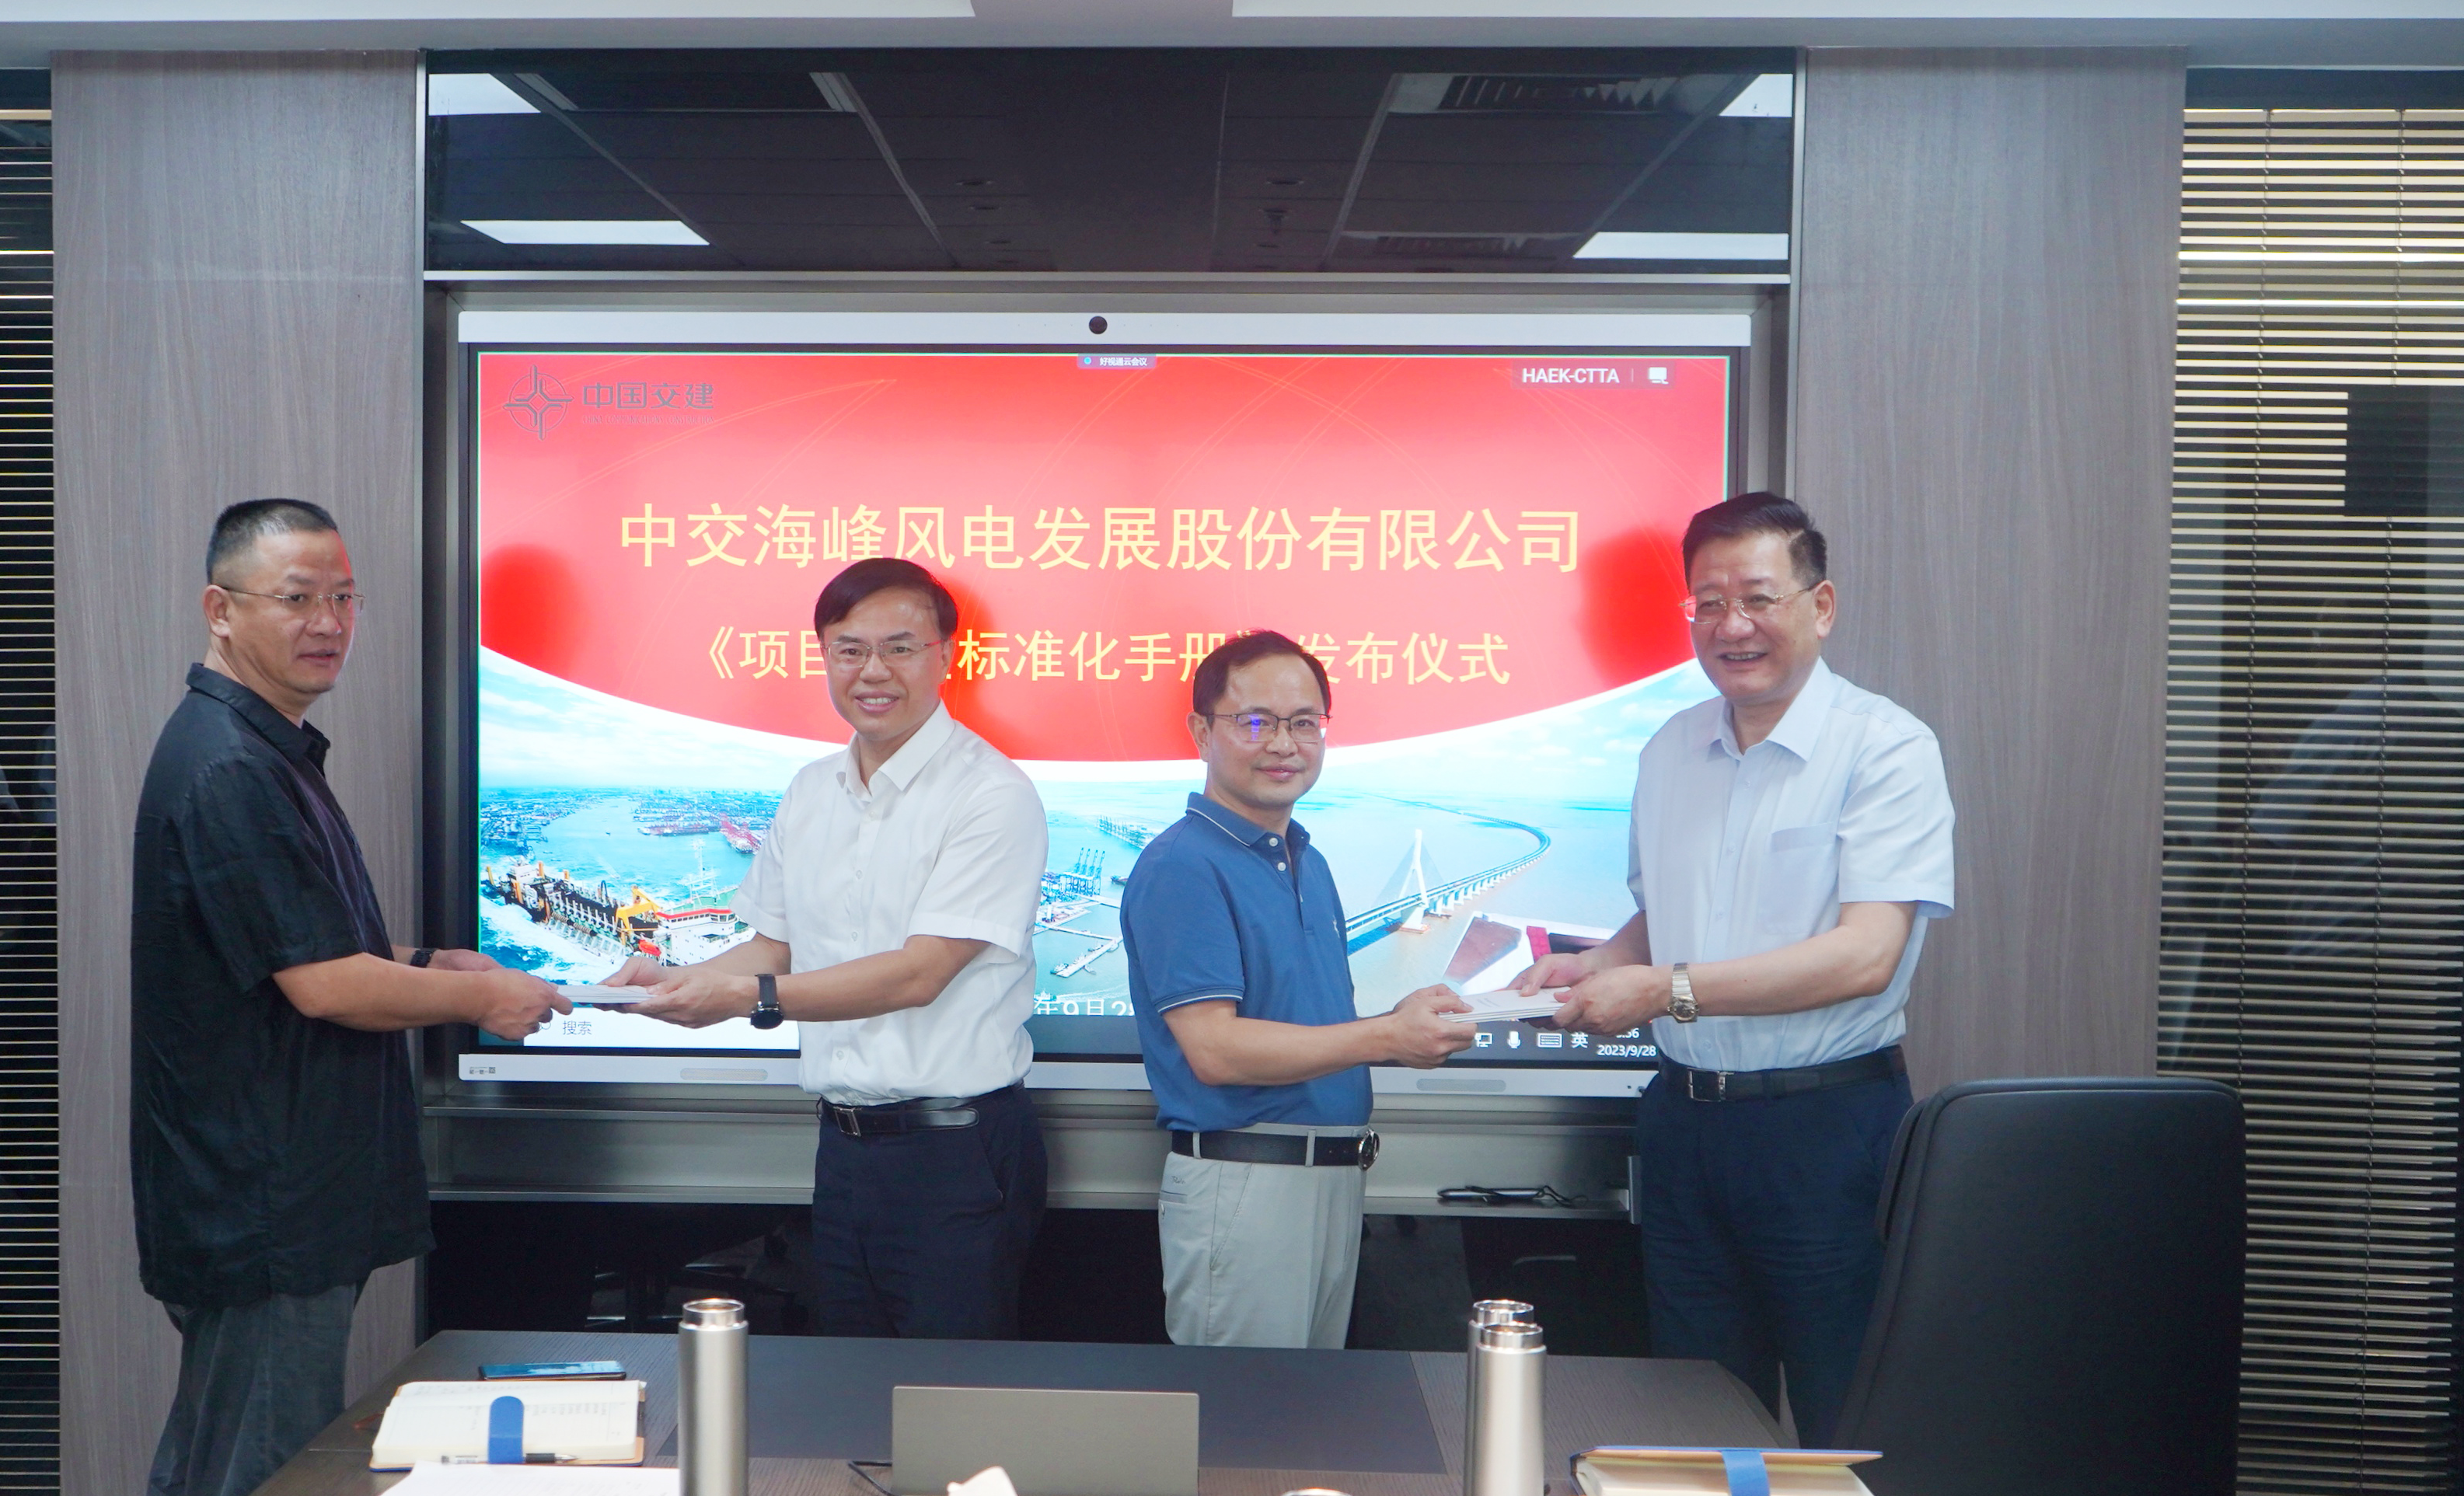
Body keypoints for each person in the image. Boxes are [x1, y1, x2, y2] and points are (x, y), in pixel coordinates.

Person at [133, 497, 568, 1496]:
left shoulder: (261, 748)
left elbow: (296, 947)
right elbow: (324, 986)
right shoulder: (231, 765)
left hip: (270, 1192)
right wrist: (481, 1001)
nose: (327, 622)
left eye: (343, 598)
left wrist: (430, 965)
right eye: (296, 598)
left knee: (214, 1471)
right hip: (264, 1201)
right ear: (220, 610)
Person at [1513, 490, 1954, 1446]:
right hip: (1682, 1125)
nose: (1731, 625)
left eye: (1756, 598)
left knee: (1845, 1419)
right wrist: (1596, 966)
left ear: (1819, 605)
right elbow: (1666, 917)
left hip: (1824, 1128)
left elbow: (1865, 955)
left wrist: (1663, 991)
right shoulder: (1669, 750)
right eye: (1706, 603)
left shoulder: (1884, 747)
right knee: (1696, 1417)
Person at [613, 557, 1049, 1340]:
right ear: (824, 658)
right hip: (842, 1152)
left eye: (899, 647)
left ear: (946, 656)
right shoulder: (810, 791)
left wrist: (745, 999)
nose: (872, 671)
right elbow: (772, 948)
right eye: (849, 650)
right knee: (847, 1385)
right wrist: (669, 983)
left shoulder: (991, 794)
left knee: (950, 1392)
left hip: (956, 1153)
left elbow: (920, 974)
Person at [1121, 631, 1474, 1349]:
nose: (1283, 743)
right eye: (1255, 721)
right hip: (1247, 1184)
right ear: (1201, 732)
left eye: (1304, 722)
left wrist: (1406, 1025)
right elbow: (1215, 1050)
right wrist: (1386, 1034)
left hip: (1330, 1178)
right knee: (1247, 1414)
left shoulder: (1306, 859)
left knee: (1305, 1410)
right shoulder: (1183, 866)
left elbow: (1315, 1026)